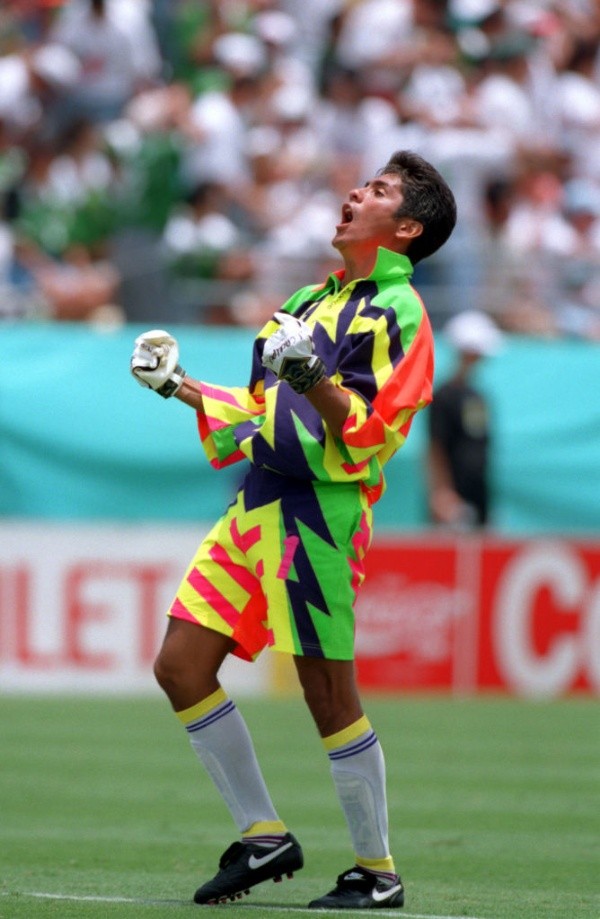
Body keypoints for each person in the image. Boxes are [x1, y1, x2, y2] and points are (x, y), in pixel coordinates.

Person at [130, 149, 457, 909]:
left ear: (406, 228)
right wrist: (176, 385)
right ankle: (264, 836)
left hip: (321, 511)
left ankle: (378, 873)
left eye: (376, 191)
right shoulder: (308, 300)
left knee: (325, 690)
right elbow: (258, 412)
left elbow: (375, 430)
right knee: (180, 663)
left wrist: (313, 379)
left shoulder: (402, 313)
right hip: (257, 503)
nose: (354, 192)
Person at [427, 310, 502, 529]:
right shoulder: (443, 395)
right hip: (454, 499)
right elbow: (435, 446)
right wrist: (442, 492)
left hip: (479, 494)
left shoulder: (478, 395)